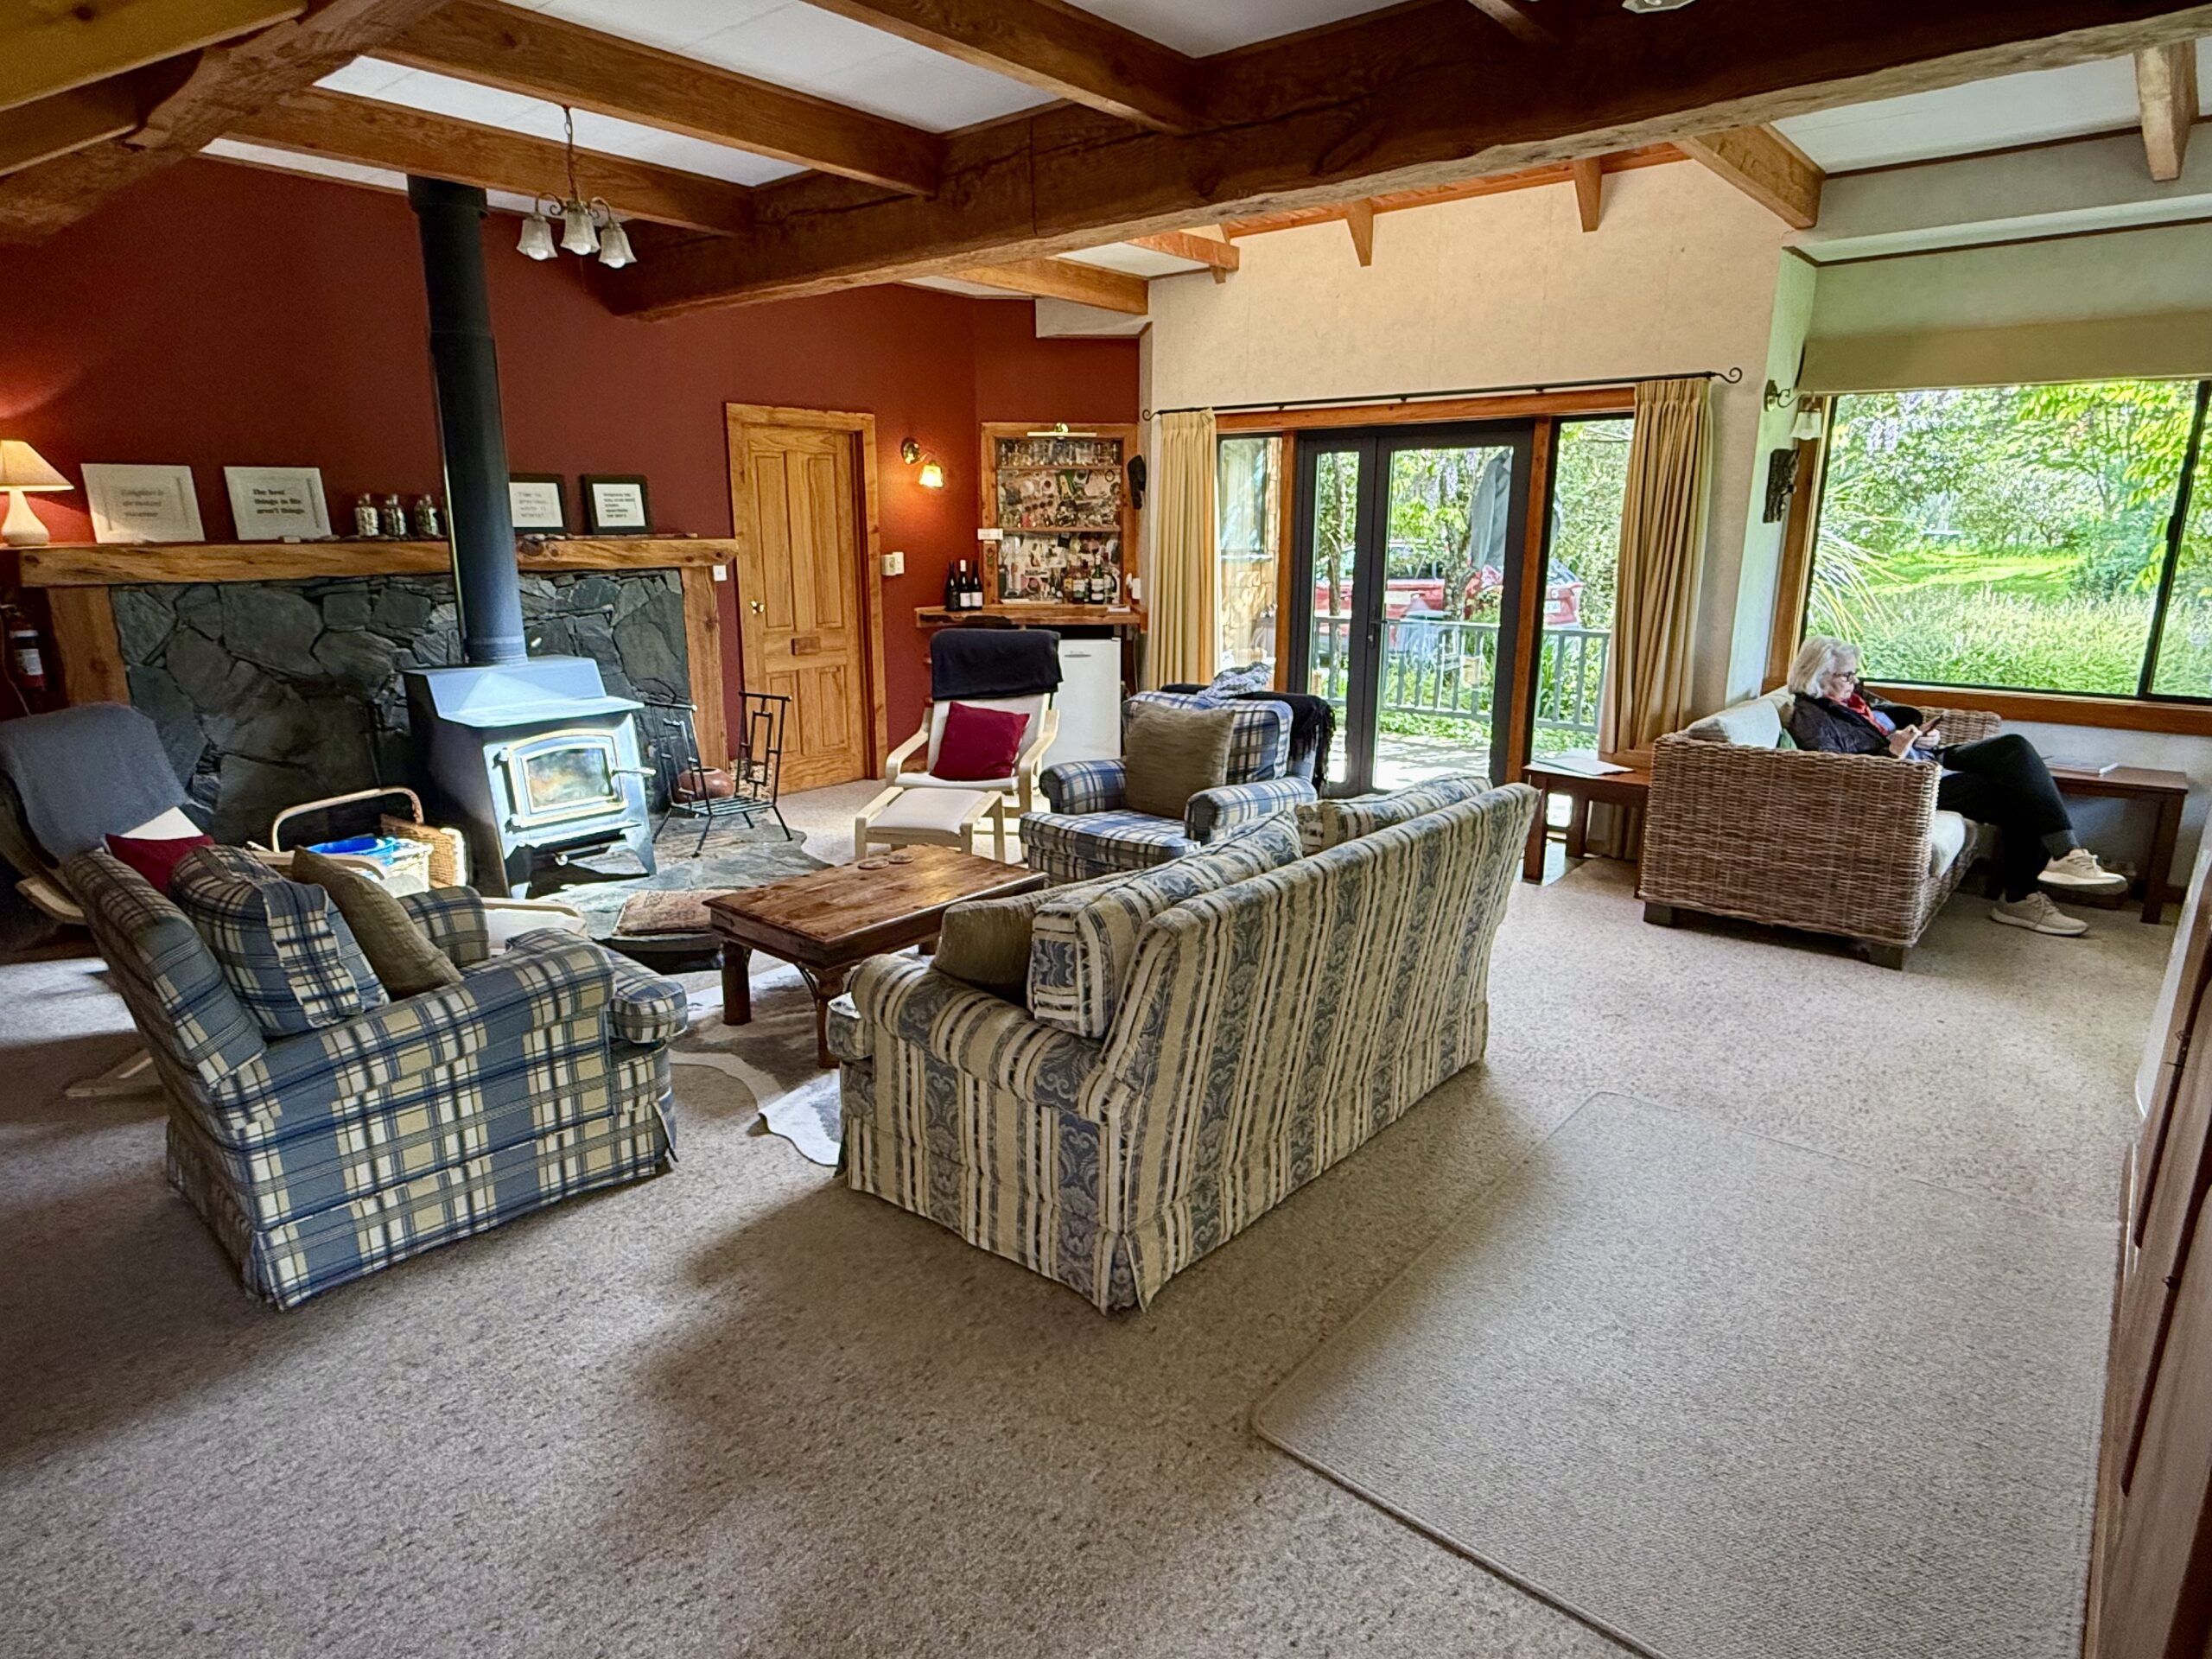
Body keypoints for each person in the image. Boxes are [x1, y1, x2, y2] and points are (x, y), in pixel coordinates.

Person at [1784, 636, 2127, 938]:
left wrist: (1923, 734)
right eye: (1847, 675)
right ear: (1818, 675)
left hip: (1928, 758)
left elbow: (1893, 717)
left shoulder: (1854, 698)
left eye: (1856, 674)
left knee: (2014, 749)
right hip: (1909, 782)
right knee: (2017, 793)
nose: (1855, 681)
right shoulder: (1810, 717)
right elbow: (1841, 776)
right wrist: (1892, 752)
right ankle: (2025, 894)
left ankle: (2065, 856)